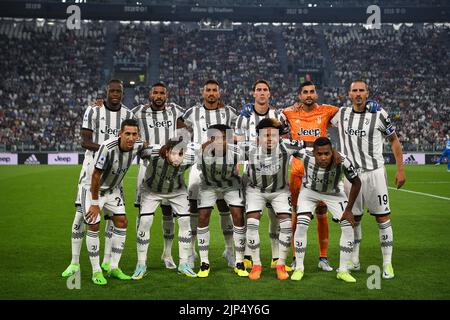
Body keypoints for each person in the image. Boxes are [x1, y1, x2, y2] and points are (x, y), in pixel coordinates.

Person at [330, 80, 406, 279]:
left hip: (375, 174)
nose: (357, 94)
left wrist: (400, 170)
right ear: (348, 94)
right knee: (352, 219)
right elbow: (319, 117)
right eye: (354, 90)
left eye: (361, 90)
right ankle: (354, 260)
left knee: (382, 218)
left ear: (367, 93)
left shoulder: (379, 114)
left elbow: (394, 141)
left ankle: (387, 264)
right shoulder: (342, 114)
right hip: (351, 175)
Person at [62, 79, 134, 278]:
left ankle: (109, 262)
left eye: (118, 91)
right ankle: (75, 262)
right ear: (106, 91)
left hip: (114, 178)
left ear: (122, 92)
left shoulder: (128, 114)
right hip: (91, 172)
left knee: (114, 219)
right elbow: (85, 141)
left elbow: (132, 138)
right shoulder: (93, 111)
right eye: (111, 91)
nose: (115, 94)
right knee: (81, 217)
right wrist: (107, 150)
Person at [82, 119, 150, 285]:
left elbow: (145, 145)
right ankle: (96, 271)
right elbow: (96, 175)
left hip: (114, 189)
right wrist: (95, 203)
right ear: (120, 134)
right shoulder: (107, 148)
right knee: (94, 224)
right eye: (127, 133)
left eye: (134, 134)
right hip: (94, 190)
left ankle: (114, 267)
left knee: (121, 222)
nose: (131, 138)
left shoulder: (137, 144)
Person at [281, 81, 339, 272]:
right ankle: (297, 258)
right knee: (297, 215)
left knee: (322, 215)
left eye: (312, 92)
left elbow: (347, 115)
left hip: (320, 173)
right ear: (299, 96)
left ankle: (323, 258)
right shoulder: (289, 113)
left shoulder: (327, 111)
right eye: (305, 92)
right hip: (297, 172)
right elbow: (274, 124)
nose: (309, 95)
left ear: (316, 94)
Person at [182, 79, 239, 268]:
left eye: (215, 90)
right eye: (208, 90)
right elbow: (179, 122)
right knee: (193, 208)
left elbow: (234, 134)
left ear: (219, 93)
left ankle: (229, 251)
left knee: (226, 208)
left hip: (224, 165)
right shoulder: (193, 112)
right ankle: (191, 252)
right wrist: (186, 144)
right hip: (200, 166)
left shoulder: (229, 112)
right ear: (203, 93)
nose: (211, 93)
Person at [236, 79, 292, 272]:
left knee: (275, 216)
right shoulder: (244, 117)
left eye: (265, 90)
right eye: (258, 90)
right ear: (253, 93)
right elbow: (239, 143)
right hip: (251, 170)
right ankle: (249, 256)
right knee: (249, 214)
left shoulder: (278, 115)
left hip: (276, 170)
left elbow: (285, 141)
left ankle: (276, 256)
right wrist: (238, 167)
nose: (261, 93)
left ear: (269, 94)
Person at [244, 118, 308, 281]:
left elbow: (313, 147)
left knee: (286, 223)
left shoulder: (287, 146)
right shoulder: (248, 148)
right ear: (258, 137)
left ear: (279, 136)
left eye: (273, 135)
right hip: (256, 191)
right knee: (252, 223)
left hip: (280, 191)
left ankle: (280, 263)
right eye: (265, 135)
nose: (269, 138)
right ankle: (257, 264)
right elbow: (223, 149)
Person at [132, 82, 186, 271]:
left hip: (170, 169)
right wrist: (100, 103)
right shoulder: (138, 112)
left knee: (168, 212)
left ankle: (168, 254)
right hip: (146, 168)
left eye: (162, 93)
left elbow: (185, 131)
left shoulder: (175, 111)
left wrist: (174, 145)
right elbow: (124, 122)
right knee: (143, 215)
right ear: (149, 94)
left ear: (166, 95)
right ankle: (141, 258)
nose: (158, 96)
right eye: (155, 92)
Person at [291, 137, 361, 283]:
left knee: (348, 226)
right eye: (319, 154)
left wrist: (348, 210)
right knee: (302, 223)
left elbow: (357, 183)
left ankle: (343, 270)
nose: (323, 157)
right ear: (313, 153)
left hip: (334, 193)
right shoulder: (305, 154)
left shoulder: (343, 161)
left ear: (332, 152)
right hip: (309, 192)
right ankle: (299, 267)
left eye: (327, 153)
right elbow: (282, 143)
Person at [133, 138, 198, 279]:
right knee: (145, 222)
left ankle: (184, 264)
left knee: (185, 222)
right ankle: (141, 264)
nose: (177, 157)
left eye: (180, 153)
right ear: (167, 151)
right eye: (173, 153)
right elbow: (136, 150)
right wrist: (141, 144)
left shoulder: (191, 157)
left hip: (177, 191)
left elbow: (206, 154)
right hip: (151, 191)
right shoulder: (153, 153)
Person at [196, 124, 247, 278]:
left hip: (231, 186)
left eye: (223, 138)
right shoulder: (201, 153)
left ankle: (239, 261)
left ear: (229, 139)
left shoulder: (238, 152)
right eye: (215, 138)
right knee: (203, 216)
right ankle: (204, 263)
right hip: (208, 186)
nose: (219, 141)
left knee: (238, 215)